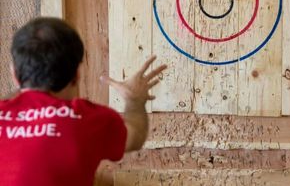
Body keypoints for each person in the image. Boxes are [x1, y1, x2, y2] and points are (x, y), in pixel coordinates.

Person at [0, 17, 166, 186]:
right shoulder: (89, 118)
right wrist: (134, 100)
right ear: (77, 75)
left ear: (14, 74)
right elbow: (134, 137)